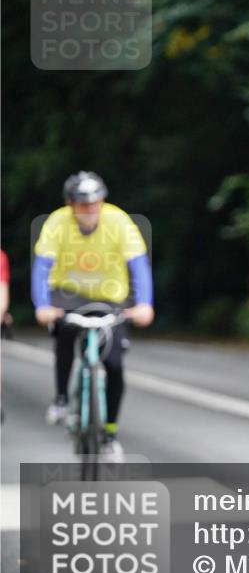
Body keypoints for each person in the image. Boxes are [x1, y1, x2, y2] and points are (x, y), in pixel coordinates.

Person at [32, 172, 154, 462]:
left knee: (114, 364)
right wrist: (43, 305)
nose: (89, 211)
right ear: (70, 205)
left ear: (103, 201)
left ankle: (110, 433)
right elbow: (42, 267)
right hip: (68, 294)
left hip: (110, 297)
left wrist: (145, 304)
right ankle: (61, 397)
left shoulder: (119, 221)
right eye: (82, 205)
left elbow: (138, 264)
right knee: (63, 332)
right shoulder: (57, 223)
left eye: (95, 204)